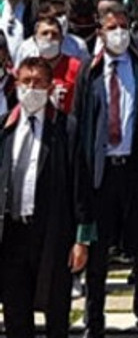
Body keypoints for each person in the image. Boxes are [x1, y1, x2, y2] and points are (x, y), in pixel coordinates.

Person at [73, 1, 138, 338]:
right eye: (111, 27)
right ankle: (95, 321)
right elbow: (80, 123)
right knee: (98, 253)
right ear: (100, 32)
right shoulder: (89, 69)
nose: (118, 32)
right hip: (101, 174)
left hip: (137, 171)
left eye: (122, 26)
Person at [0, 58, 83, 338]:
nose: (31, 88)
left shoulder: (66, 129)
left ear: (50, 87)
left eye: (38, 83)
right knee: (16, 315)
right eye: (26, 82)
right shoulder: (5, 129)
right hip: (12, 233)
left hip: (53, 235)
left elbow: (79, 188)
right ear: (16, 83)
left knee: (56, 314)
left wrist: (81, 239)